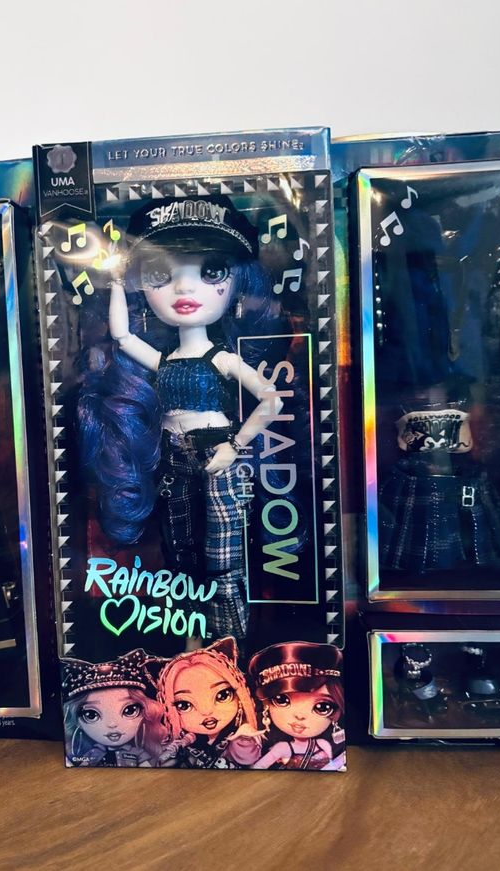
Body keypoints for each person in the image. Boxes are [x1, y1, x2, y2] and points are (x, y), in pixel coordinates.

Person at [79, 195, 286, 639]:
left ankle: (231, 640)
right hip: (174, 460)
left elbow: (271, 401)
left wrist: (234, 446)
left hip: (217, 457)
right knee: (181, 552)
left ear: (239, 286)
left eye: (211, 271)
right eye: (161, 274)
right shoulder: (164, 361)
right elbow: (122, 335)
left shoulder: (223, 359)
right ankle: (193, 638)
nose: (184, 288)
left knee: (224, 556)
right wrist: (117, 281)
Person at [145, 636, 262, 769]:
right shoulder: (185, 742)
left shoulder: (242, 733)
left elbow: (250, 759)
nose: (206, 711)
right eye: (184, 705)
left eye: (222, 695)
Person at [247, 641, 345, 771]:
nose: (300, 715)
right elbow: (258, 767)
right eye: (282, 700)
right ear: (266, 705)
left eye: (322, 707)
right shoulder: (282, 748)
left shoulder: (324, 744)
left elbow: (333, 766)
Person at [61, 649, 167, 767]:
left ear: (145, 712)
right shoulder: (93, 753)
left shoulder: (137, 753)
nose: (112, 724)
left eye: (129, 711)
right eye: (91, 715)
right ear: (77, 721)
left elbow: (147, 769)